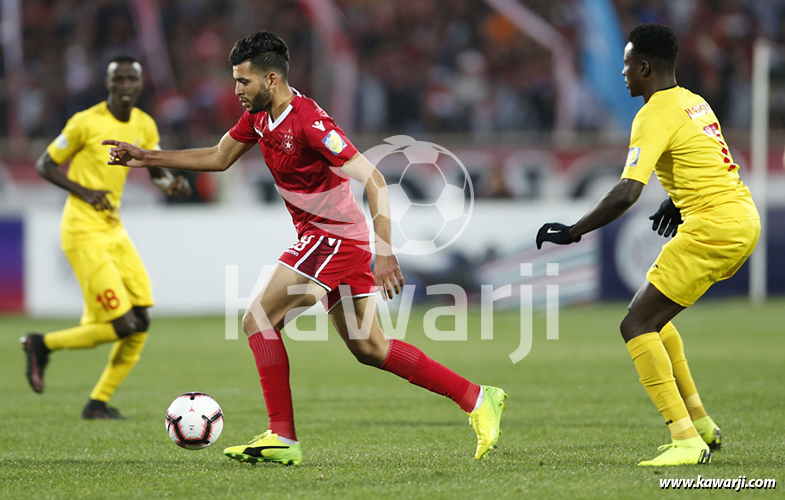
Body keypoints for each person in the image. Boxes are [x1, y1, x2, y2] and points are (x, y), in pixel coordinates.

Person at [103, 32, 506, 464]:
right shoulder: (259, 118)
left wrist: (384, 250)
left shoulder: (311, 122)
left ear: (271, 79)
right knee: (370, 348)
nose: (236, 91)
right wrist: (145, 157)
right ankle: (479, 397)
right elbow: (219, 157)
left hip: (334, 237)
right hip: (324, 240)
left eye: (244, 82)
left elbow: (374, 179)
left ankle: (282, 436)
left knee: (259, 318)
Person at [536, 23, 759, 467]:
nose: (622, 73)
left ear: (643, 67)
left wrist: (574, 230)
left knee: (635, 325)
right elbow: (706, 160)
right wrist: (678, 204)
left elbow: (626, 192)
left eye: (625, 64)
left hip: (713, 225)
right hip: (739, 216)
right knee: (652, 318)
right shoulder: (694, 101)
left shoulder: (653, 112)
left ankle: (685, 440)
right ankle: (701, 425)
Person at [21, 55, 191, 419]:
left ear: (140, 84)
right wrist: (83, 191)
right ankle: (41, 344)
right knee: (122, 325)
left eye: (132, 79)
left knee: (141, 320)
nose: (126, 86)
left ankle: (98, 403)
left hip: (113, 228)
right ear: (108, 83)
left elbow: (154, 168)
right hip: (82, 230)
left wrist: (171, 183)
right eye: (119, 80)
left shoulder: (144, 124)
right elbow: (45, 164)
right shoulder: (86, 122)